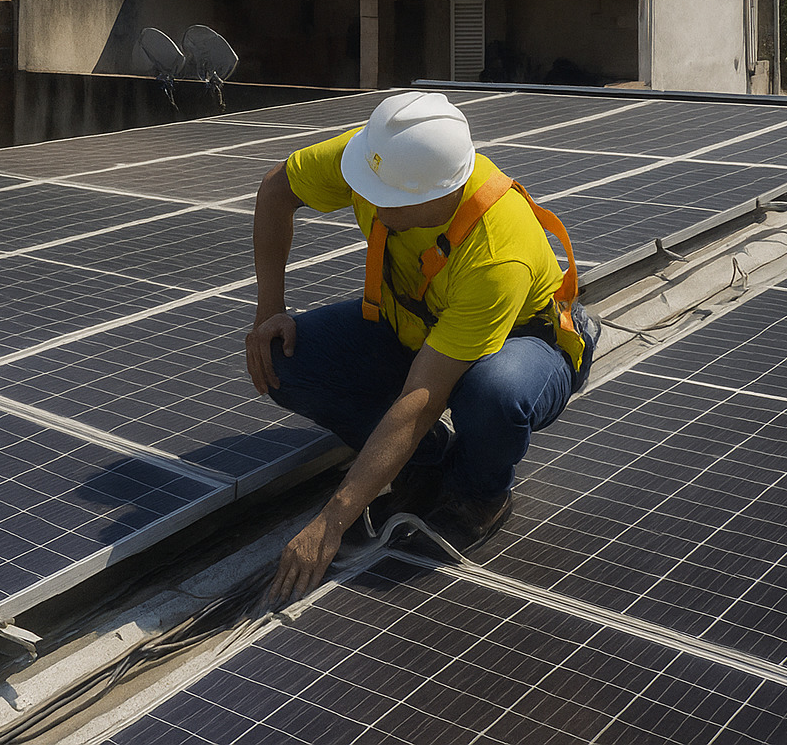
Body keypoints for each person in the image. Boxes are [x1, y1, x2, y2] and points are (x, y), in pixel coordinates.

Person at [246, 91, 597, 604]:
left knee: (491, 391)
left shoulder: (496, 254)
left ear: (438, 197)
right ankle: (425, 464)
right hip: (414, 325)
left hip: (528, 341)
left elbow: (421, 399)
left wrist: (332, 520)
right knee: (284, 361)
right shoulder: (380, 160)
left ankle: (478, 496)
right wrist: (268, 311)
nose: (367, 198)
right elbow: (278, 187)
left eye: (385, 198)